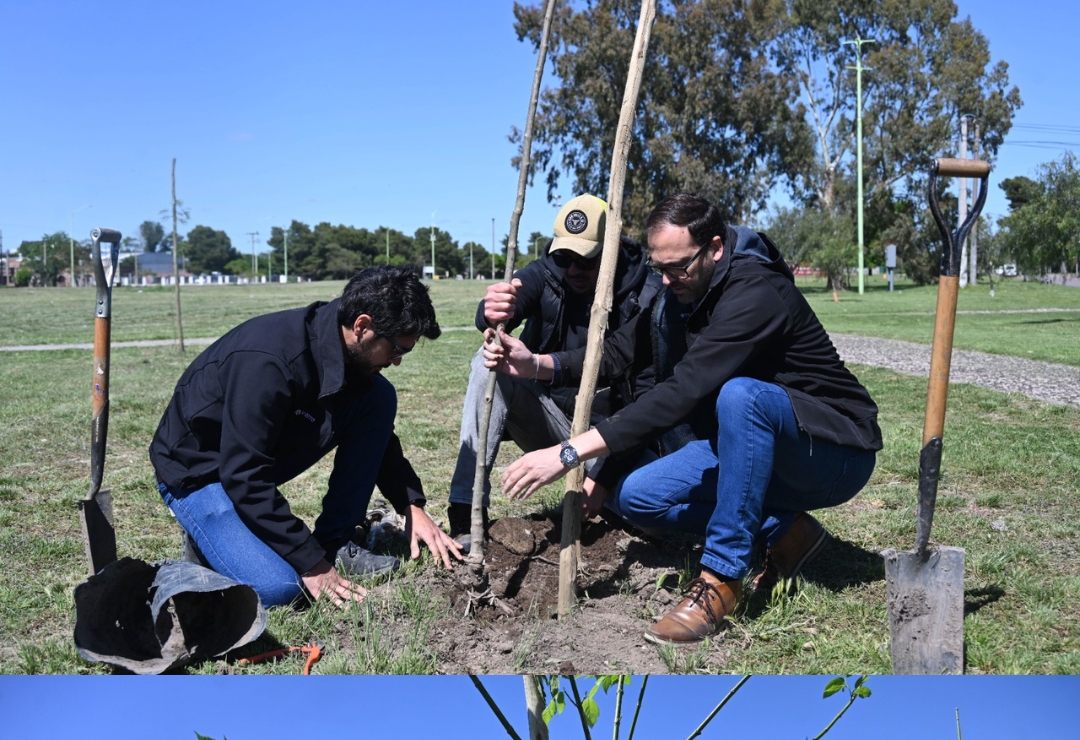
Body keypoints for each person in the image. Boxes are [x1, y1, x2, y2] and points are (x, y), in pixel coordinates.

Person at [489, 193, 882, 643]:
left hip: (832, 453)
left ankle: (721, 579)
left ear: (715, 247)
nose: (667, 278)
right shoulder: (683, 289)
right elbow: (618, 351)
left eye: (679, 267)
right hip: (758, 448)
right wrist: (537, 364)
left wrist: (568, 452)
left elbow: (681, 391)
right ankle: (788, 530)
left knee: (741, 397)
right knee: (639, 497)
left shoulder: (756, 292)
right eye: (660, 268)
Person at [150, 266, 462, 610]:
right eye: (397, 349)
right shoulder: (268, 362)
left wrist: (410, 505)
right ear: (362, 326)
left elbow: (377, 442)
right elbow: (244, 474)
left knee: (378, 397)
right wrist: (312, 566)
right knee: (281, 589)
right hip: (198, 473)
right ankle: (207, 537)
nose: (398, 361)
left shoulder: (347, 356)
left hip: (250, 465)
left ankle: (336, 543)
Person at [446, 193, 656, 546]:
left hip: (608, 438)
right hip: (548, 418)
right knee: (487, 363)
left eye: (585, 260)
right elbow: (504, 305)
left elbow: (648, 403)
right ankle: (466, 511)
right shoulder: (545, 273)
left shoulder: (645, 298)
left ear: (612, 251)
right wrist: (491, 310)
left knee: (647, 518)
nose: (571, 269)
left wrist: (603, 476)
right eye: (563, 257)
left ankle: (611, 496)